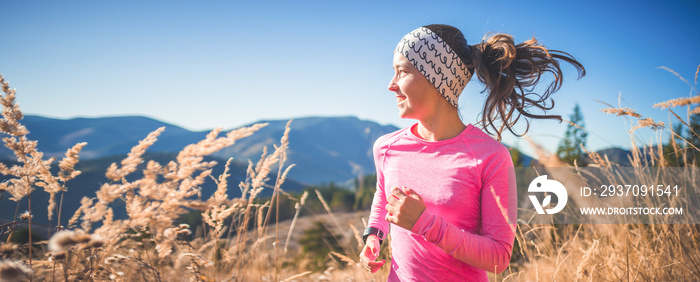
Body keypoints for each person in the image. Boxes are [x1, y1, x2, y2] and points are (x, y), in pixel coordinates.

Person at [358, 24, 585, 281]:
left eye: (402, 72)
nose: (391, 85)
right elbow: (383, 193)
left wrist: (426, 224)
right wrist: (373, 237)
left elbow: (499, 258)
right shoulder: (387, 147)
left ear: (437, 77)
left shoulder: (490, 157)